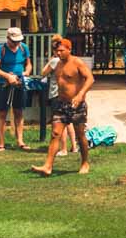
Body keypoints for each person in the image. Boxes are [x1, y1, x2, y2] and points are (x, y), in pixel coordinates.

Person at [32, 36, 95, 176]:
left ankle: (85, 162)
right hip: (61, 103)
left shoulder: (77, 62)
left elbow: (90, 78)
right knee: (55, 134)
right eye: (56, 51)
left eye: (61, 50)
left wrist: (80, 95)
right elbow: (43, 73)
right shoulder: (57, 63)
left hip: (76, 104)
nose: (58, 53)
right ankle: (47, 166)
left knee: (80, 135)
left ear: (69, 49)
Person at [0, 26, 31, 151]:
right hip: (4, 84)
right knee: (3, 111)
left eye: (18, 41)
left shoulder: (24, 48)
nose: (16, 43)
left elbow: (29, 64)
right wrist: (8, 76)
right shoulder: (0, 49)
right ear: (8, 38)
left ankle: (20, 140)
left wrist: (26, 72)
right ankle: (1, 143)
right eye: (14, 41)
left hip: (20, 82)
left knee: (19, 111)